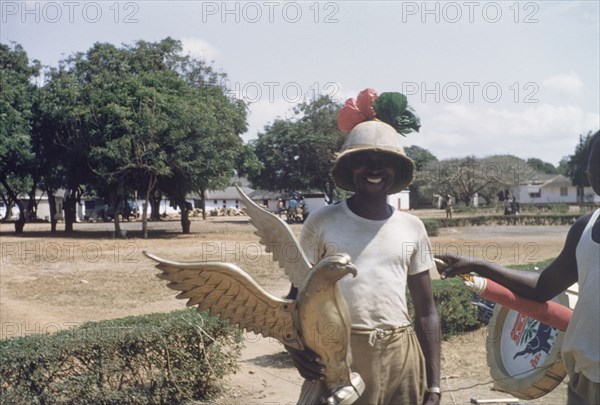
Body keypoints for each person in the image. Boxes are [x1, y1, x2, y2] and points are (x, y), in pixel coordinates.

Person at [286, 113, 441, 404]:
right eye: (364, 159)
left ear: (396, 170)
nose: (374, 168)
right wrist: (295, 350)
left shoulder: (412, 227)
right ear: (348, 167)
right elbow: (296, 298)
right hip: (338, 357)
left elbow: (426, 311)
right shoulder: (322, 222)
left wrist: (434, 386)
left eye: (385, 161)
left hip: (401, 357)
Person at [437, 130, 600, 405]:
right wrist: (480, 265)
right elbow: (543, 288)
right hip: (585, 382)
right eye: (595, 159)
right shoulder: (584, 228)